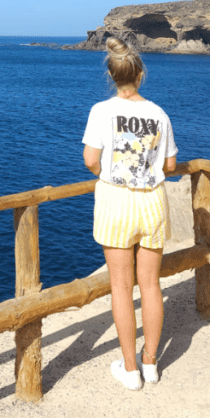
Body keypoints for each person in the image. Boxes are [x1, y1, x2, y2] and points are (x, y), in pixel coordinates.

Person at [81, 36, 178, 390]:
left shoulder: (101, 111)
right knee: (151, 285)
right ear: (140, 75)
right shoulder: (159, 114)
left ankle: (130, 369)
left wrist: (105, 173)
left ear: (112, 74)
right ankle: (150, 362)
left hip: (117, 200)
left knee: (121, 287)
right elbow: (169, 164)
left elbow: (91, 160)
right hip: (152, 201)